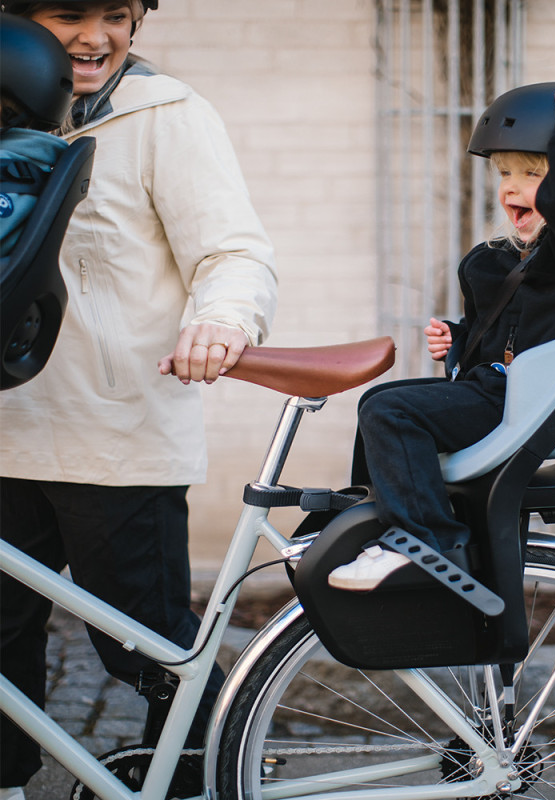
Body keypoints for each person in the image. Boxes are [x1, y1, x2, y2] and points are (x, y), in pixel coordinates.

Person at [0, 2, 278, 796]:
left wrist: (222, 320)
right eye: (69, 14)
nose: (96, 37)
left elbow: (231, 251)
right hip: (6, 432)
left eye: (116, 15)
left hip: (115, 438)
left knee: (147, 647)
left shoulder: (167, 114)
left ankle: (202, 777)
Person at [329, 83, 555, 591]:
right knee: (380, 401)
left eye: (533, 174)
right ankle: (371, 526)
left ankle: (426, 546)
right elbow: (512, 335)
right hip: (502, 390)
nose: (511, 187)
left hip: (534, 400)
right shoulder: (510, 260)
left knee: (393, 413)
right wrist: (460, 340)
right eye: (505, 173)